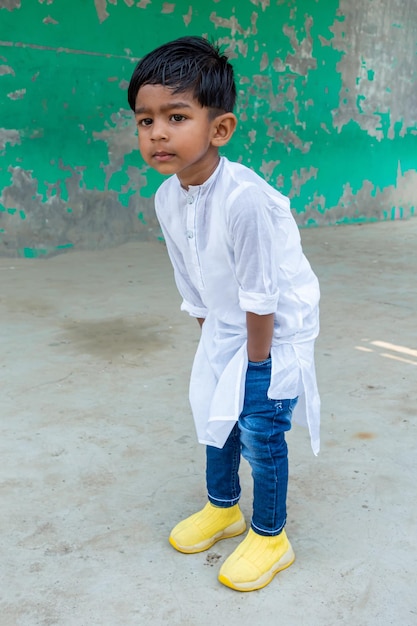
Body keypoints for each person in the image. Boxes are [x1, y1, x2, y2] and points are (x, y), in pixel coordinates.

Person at [127, 36, 320, 592]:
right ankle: (223, 509)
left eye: (176, 116)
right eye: (145, 120)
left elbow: (263, 296)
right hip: (227, 327)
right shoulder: (169, 197)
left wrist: (255, 367)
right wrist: (214, 347)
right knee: (213, 416)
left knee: (260, 429)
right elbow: (193, 281)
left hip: (273, 333)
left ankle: (269, 534)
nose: (157, 132)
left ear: (220, 129)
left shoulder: (245, 200)